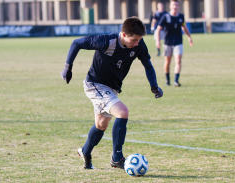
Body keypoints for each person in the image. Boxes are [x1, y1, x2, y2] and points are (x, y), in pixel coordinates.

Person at [60, 17, 163, 170]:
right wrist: (68, 67)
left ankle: (85, 151)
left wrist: (154, 85)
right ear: (123, 34)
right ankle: (117, 157)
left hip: (111, 88)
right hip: (95, 84)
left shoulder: (139, 44)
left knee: (101, 125)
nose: (136, 43)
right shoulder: (106, 41)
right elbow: (77, 43)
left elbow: (148, 65)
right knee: (122, 112)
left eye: (139, 40)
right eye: (134, 40)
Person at [156, 0, 193, 87]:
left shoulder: (181, 16)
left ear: (178, 6)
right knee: (168, 61)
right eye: (173, 5)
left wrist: (189, 37)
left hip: (178, 42)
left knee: (178, 60)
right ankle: (167, 80)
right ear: (170, 6)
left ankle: (176, 81)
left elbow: (184, 28)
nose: (175, 7)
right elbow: (158, 29)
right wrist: (158, 41)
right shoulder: (165, 17)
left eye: (176, 5)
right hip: (167, 42)